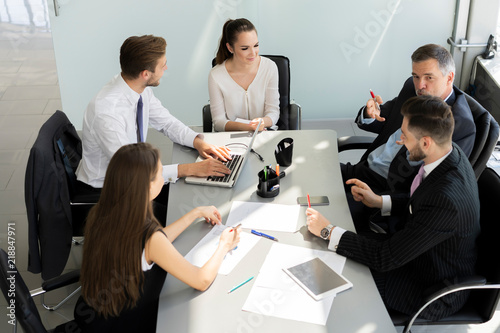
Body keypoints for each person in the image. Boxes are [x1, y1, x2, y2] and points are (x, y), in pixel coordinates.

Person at [306, 95, 480, 321]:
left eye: (405, 136)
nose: (400, 142)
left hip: (428, 287)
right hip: (414, 250)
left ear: (426, 142)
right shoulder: (448, 151)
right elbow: (421, 201)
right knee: (328, 250)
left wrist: (328, 230)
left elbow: (384, 258)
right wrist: (380, 201)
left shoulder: (446, 201)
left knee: (328, 280)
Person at [73, 143, 240, 332]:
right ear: (147, 186)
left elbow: (155, 244)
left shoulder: (101, 212)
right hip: (129, 324)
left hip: (99, 316)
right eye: (160, 174)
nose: (163, 178)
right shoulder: (150, 237)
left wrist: (194, 213)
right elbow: (201, 280)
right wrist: (224, 246)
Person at [76, 35, 231, 193]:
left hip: (136, 176)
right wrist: (190, 169)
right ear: (145, 74)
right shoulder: (107, 113)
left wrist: (198, 142)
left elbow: (167, 123)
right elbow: (132, 168)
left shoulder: (137, 88)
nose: (166, 68)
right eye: (163, 65)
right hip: (110, 189)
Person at [342, 44, 475, 195]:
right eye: (416, 76)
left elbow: (437, 183)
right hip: (364, 170)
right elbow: (384, 118)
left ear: (449, 77)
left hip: (387, 192)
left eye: (429, 77)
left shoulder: (460, 125)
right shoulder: (412, 88)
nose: (420, 85)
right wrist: (370, 113)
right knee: (313, 170)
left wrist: (382, 201)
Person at [208, 18, 280, 132]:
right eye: (245, 48)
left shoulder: (270, 67)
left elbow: (273, 112)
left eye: (256, 45)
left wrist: (262, 122)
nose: (253, 53)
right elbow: (219, 122)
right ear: (230, 48)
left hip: (265, 133)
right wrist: (248, 127)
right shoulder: (216, 75)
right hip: (231, 137)